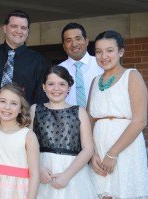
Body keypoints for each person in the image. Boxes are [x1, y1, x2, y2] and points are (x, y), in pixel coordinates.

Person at [88, 30, 148, 199]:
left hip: (125, 148)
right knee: (103, 194)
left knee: (125, 193)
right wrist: (92, 154)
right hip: (99, 147)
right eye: (98, 51)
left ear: (121, 52)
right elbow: (90, 119)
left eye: (109, 50)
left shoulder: (132, 76)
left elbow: (140, 121)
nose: (103, 56)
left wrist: (112, 154)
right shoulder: (95, 81)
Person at [30, 66, 96, 198]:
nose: (56, 88)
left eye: (62, 84)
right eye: (51, 84)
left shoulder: (79, 112)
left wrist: (67, 175)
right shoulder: (34, 110)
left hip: (73, 172)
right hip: (43, 169)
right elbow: (26, 145)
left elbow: (88, 149)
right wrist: (38, 168)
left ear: (69, 87)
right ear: (44, 87)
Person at [0, 10, 48, 105]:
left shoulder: (38, 60)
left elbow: (40, 96)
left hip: (24, 117)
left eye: (23, 28)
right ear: (4, 28)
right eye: (14, 26)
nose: (19, 31)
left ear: (28, 31)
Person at [59, 22, 103, 107]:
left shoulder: (101, 64)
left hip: (99, 118)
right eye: (69, 40)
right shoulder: (58, 70)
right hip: (68, 119)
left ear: (86, 41)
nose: (74, 44)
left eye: (78, 39)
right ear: (64, 46)